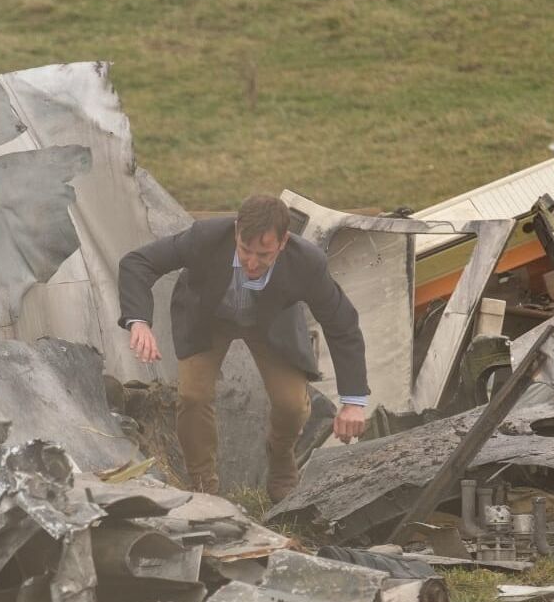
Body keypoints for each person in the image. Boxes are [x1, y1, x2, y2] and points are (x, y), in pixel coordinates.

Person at [118, 194, 369, 501]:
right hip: (207, 319)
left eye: (264, 254)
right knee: (192, 396)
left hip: (271, 324)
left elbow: (341, 323)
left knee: (292, 404)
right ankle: (203, 487)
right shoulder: (205, 238)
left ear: (283, 241)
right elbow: (138, 262)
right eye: (245, 250)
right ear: (236, 230)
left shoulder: (307, 262)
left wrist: (353, 402)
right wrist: (138, 321)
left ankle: (280, 460)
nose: (252, 263)